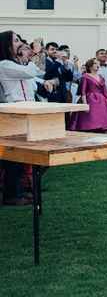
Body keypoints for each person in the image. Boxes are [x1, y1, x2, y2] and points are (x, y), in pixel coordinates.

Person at [0, 31, 56, 206]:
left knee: (29, 153)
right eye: (16, 41)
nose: (21, 43)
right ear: (7, 46)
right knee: (14, 157)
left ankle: (22, 189)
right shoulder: (4, 64)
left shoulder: (18, 64)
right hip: (14, 113)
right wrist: (37, 52)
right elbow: (32, 71)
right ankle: (12, 194)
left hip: (27, 111)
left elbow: (37, 72)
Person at [70, 58, 107, 133]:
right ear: (90, 66)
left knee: (106, 123)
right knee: (90, 122)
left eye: (98, 64)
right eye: (95, 63)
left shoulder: (101, 77)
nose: (98, 65)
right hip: (90, 100)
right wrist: (85, 105)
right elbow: (83, 92)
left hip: (102, 102)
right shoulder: (85, 76)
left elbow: (105, 92)